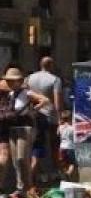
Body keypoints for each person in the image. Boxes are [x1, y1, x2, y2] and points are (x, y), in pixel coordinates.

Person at [0, 67, 47, 194]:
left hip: (24, 128)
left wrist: (34, 110)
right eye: (8, 81)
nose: (10, 83)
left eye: (13, 81)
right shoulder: (9, 94)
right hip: (12, 128)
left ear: (19, 81)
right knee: (16, 160)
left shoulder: (26, 93)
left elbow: (44, 100)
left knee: (22, 158)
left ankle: (28, 186)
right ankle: (21, 188)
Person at [26, 56, 62, 184]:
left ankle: (39, 172)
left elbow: (27, 95)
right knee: (54, 144)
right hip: (49, 115)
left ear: (40, 65)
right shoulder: (55, 79)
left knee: (36, 144)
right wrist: (59, 119)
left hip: (33, 114)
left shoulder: (30, 78)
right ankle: (55, 171)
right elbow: (57, 102)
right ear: (51, 65)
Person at [58, 110, 75, 181]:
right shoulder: (72, 128)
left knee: (64, 163)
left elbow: (57, 134)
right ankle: (68, 173)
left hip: (62, 147)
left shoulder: (60, 127)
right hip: (70, 147)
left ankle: (65, 176)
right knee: (72, 164)